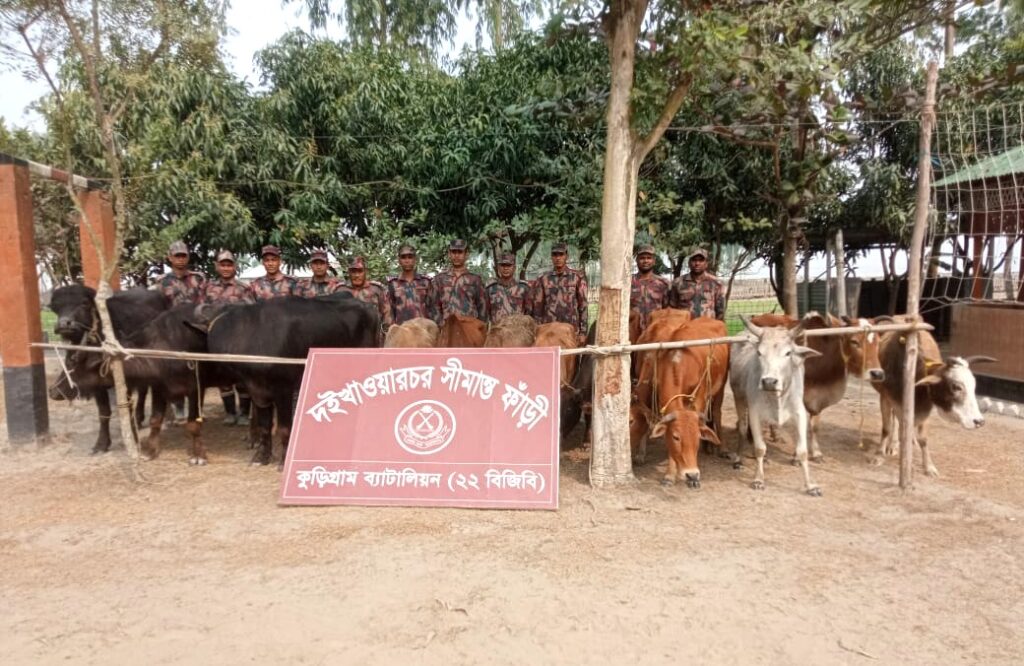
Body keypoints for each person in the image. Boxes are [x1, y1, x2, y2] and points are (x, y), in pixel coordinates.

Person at [198, 249, 254, 425]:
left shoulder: (244, 288)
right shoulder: (209, 288)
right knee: (224, 379)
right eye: (223, 264)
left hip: (241, 340)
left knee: (243, 379)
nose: (226, 268)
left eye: (229, 264)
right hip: (217, 341)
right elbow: (201, 311)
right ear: (216, 266)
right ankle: (230, 413)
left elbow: (253, 313)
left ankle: (244, 413)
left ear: (235, 267)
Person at [531, 242, 588, 345]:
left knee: (571, 360)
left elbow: (583, 306)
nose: (558, 258)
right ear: (551, 257)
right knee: (550, 360)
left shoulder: (577, 277)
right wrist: (537, 331)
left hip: (571, 331)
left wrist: (583, 332)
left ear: (566, 256)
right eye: (555, 255)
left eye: (561, 254)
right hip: (549, 331)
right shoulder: (543, 279)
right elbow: (537, 309)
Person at [431, 239, 488, 323]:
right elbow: (433, 306)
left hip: (469, 329)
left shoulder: (475, 280)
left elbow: (482, 307)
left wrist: (479, 329)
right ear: (449, 254)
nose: (456, 255)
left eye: (460, 252)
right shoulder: (439, 279)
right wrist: (441, 325)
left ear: (466, 254)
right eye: (454, 252)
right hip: (447, 329)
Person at [667, 247, 726, 320]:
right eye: (694, 260)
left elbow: (720, 311)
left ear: (706, 263)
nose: (697, 263)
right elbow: (672, 309)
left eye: (701, 260)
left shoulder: (716, 283)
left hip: (707, 328)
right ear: (689, 263)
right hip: (685, 328)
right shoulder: (677, 283)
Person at [337, 256, 392, 331]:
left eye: (360, 271)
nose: (357, 275)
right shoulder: (340, 290)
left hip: (372, 337)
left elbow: (386, 312)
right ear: (349, 272)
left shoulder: (376, 289)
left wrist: (385, 330)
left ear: (365, 271)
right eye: (353, 271)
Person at [388, 244, 434, 323]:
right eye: (403, 257)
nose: (407, 260)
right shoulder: (393, 283)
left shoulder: (425, 282)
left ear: (415, 259)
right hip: (402, 330)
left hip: (422, 330)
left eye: (410, 257)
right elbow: (390, 310)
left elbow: (433, 307)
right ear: (399, 260)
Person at [629, 243, 670, 331]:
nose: (645, 261)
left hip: (655, 331)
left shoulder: (663, 283)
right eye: (642, 258)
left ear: (654, 261)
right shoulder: (628, 282)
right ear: (637, 260)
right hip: (632, 331)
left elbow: (667, 310)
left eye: (649, 258)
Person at [153, 240, 205, 306]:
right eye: (177, 256)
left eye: (183, 256)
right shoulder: (162, 280)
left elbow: (203, 303)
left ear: (188, 257)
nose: (181, 259)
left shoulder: (198, 278)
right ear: (170, 258)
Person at [485, 252, 531, 324]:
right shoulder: (490, 289)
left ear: (514, 268)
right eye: (503, 265)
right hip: (497, 331)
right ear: (498, 267)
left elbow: (529, 313)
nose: (505, 268)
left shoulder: (523, 288)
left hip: (517, 332)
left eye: (509, 265)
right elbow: (485, 313)